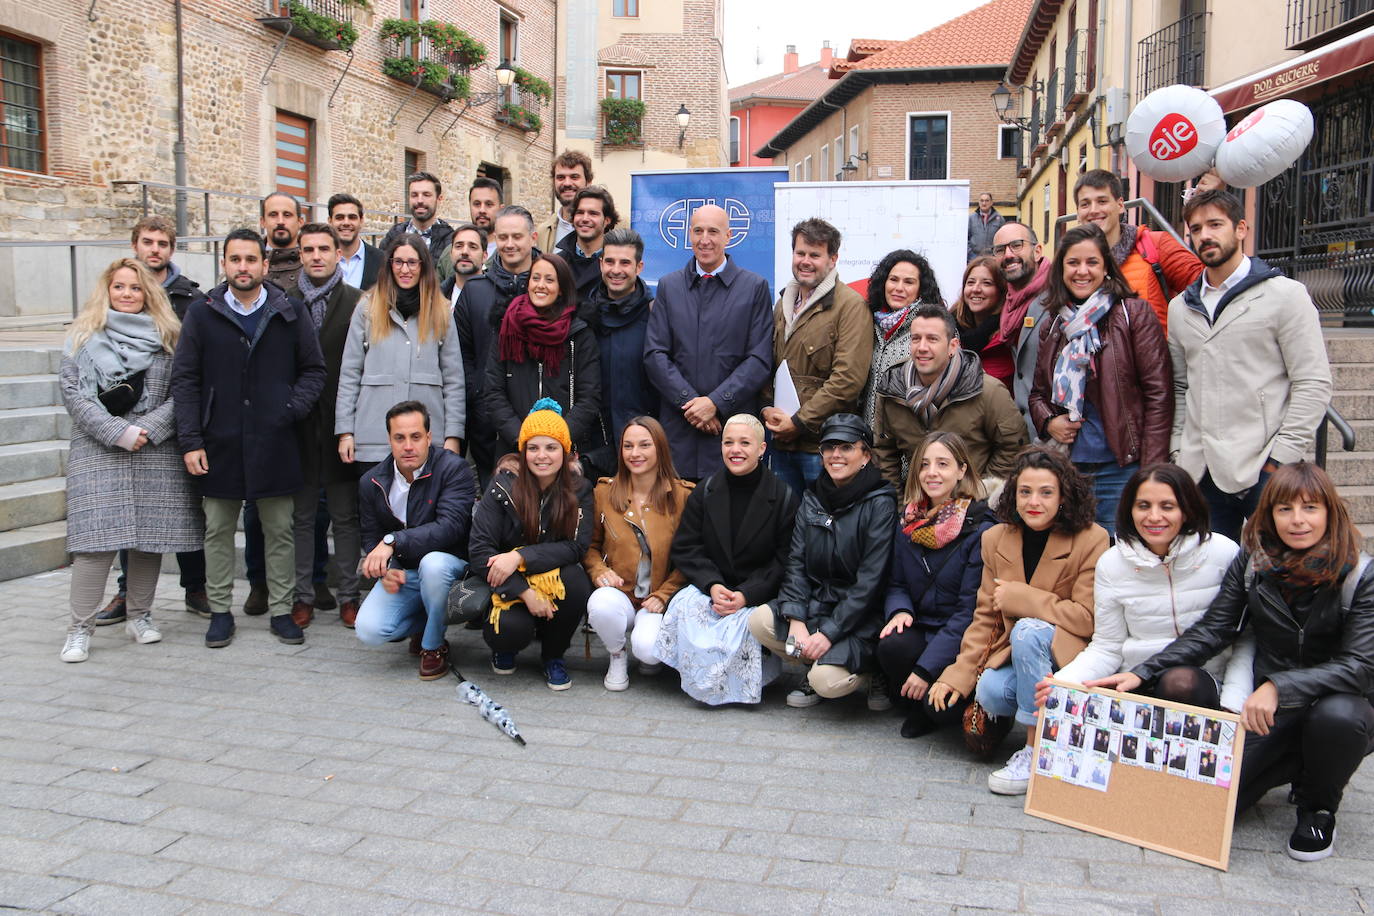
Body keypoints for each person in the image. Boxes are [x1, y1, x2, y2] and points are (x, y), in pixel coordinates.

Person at [1097, 463, 1374, 862]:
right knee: (1203, 813)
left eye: (1310, 508)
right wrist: (1143, 671)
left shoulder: (1360, 574)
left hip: (1338, 702)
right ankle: (1300, 763)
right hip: (1268, 711)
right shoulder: (1253, 562)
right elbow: (1215, 630)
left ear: (1330, 512)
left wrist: (1280, 687)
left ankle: (1317, 806)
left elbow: (1361, 666)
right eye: (1284, 509)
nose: (1297, 520)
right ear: (1268, 513)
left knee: (1337, 719)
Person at [171, 228, 326, 648]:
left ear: (264, 264)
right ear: (224, 264)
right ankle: (220, 612)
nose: (243, 267)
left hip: (275, 440)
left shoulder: (289, 311)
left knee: (280, 530)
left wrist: (290, 409)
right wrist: (191, 440)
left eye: (251, 260)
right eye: (235, 259)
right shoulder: (202, 314)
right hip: (217, 440)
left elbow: (314, 370)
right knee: (218, 530)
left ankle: (281, 610)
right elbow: (185, 380)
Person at [928, 447, 1108, 795]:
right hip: (1018, 654)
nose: (1033, 502)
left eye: (1045, 492)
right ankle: (1036, 726)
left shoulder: (1092, 538)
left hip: (1068, 655)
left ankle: (1035, 748)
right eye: (1024, 492)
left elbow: (1086, 619)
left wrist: (1023, 598)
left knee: (1027, 630)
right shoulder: (995, 538)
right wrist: (959, 672)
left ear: (1064, 496)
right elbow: (985, 616)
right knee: (991, 692)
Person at [57, 258, 202, 663]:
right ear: (107, 291)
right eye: (119, 287)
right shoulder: (82, 337)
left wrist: (149, 429)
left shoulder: (169, 337)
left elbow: (183, 392)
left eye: (135, 288)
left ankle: (140, 615)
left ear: (148, 293)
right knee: (93, 543)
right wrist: (116, 432)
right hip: (98, 449)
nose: (126, 294)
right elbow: (75, 396)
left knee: (148, 540)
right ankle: (79, 628)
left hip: (153, 450)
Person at [1170, 189, 1333, 541]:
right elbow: (1181, 385)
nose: (1205, 236)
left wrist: (1281, 459)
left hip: (1265, 466)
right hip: (1202, 470)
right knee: (1212, 582)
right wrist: (1178, 449)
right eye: (1196, 229)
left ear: (1241, 228)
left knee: (1278, 578)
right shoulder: (1180, 308)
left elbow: (1313, 382)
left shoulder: (1284, 295)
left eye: (1215, 224)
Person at [1048, 463, 1253, 713]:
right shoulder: (1112, 563)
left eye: (1167, 506)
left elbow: (1243, 638)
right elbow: (1107, 646)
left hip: (1202, 683)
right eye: (1143, 506)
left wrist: (1233, 704)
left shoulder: (1223, 552)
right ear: (1129, 510)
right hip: (1134, 680)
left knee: (1180, 682)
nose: (1154, 517)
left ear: (1187, 510)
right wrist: (1060, 685)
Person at [96, 217, 208, 628]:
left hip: (174, 425)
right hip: (125, 427)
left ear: (172, 249)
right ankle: (128, 593)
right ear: (135, 245)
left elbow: (194, 373)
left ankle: (196, 587)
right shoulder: (113, 296)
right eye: (148, 242)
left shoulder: (191, 299)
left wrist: (165, 424)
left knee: (185, 509)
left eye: (162, 243)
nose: (154, 249)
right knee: (132, 513)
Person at [1029, 223, 1171, 536]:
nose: (1082, 271)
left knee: (1116, 555)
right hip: (1066, 469)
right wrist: (1049, 422)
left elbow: (1159, 395)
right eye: (1073, 263)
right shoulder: (1053, 324)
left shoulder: (1133, 314)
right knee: (1070, 563)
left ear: (1106, 267)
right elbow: (1038, 395)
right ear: (1061, 269)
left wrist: (1153, 472)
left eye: (1092, 262)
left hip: (1120, 468)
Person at [749, 413, 897, 707]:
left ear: (865, 455)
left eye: (846, 447)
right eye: (829, 448)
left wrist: (829, 633)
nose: (835, 455)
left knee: (827, 683)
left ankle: (869, 673)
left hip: (861, 617)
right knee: (759, 621)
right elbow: (796, 563)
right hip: (818, 605)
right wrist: (796, 618)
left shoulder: (881, 503)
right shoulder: (813, 497)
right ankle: (812, 664)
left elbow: (870, 583)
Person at [656, 414, 799, 704]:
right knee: (686, 606)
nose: (736, 450)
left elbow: (785, 560)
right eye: (728, 442)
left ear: (762, 449)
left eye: (745, 443)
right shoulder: (705, 491)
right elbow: (686, 547)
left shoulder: (783, 497)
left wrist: (746, 594)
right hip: (714, 588)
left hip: (756, 593)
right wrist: (712, 585)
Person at [468, 400, 594, 690]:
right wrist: (524, 592)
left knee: (575, 580)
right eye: (533, 448)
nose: (542, 456)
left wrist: (520, 556)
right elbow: (479, 552)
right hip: (508, 583)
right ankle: (505, 648)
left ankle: (553, 656)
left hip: (549, 574)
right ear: (523, 451)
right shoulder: (502, 486)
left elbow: (576, 547)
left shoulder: (580, 490)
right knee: (509, 631)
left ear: (564, 451)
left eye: (551, 447)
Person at [643, 204, 773, 480]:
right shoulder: (670, 286)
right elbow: (655, 354)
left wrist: (716, 403)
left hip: (732, 433)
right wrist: (691, 404)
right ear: (689, 234)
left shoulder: (754, 287)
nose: (705, 239)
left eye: (713, 231)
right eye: (698, 230)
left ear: (729, 236)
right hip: (679, 431)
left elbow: (759, 359)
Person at [877, 432, 994, 737]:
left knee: (942, 711)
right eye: (925, 464)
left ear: (961, 470)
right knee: (892, 643)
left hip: (960, 638)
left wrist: (924, 669)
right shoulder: (908, 521)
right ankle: (915, 699)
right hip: (922, 626)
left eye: (943, 464)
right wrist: (899, 610)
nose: (932, 472)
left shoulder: (979, 528)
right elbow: (896, 582)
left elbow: (968, 613)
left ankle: (928, 698)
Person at [355, 401, 476, 680]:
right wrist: (387, 569)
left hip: (451, 567)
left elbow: (451, 527)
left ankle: (433, 646)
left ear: (429, 438)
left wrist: (393, 541)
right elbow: (371, 537)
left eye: (415, 437)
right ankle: (427, 620)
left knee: (433, 565)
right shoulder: (371, 482)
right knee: (369, 631)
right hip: (407, 573)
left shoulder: (453, 469)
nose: (408, 446)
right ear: (389, 440)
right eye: (400, 438)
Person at [282, 222, 365, 628]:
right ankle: (304, 596)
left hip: (341, 425)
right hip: (297, 427)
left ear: (338, 254)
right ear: (300, 255)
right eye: (309, 249)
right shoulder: (282, 301)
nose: (316, 256)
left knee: (345, 517)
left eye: (324, 249)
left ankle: (349, 595)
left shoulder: (357, 302)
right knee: (301, 517)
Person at [336, 234, 465, 472]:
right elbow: (350, 374)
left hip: (428, 438)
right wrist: (345, 432)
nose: (405, 269)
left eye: (412, 263)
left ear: (423, 266)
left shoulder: (441, 311)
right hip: (374, 435)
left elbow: (454, 379)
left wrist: (453, 435)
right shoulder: (367, 308)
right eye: (398, 262)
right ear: (389, 265)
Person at [762, 218, 872, 496]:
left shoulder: (851, 307)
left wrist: (798, 422)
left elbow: (847, 381)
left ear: (832, 259)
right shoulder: (783, 303)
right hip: (781, 443)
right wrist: (765, 409)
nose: (806, 261)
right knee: (787, 529)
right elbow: (769, 366)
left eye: (815, 255)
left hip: (822, 447)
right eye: (800, 253)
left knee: (822, 530)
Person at [584, 416, 694, 690]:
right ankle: (617, 654)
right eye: (628, 446)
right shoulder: (603, 492)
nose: (635, 453)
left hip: (657, 598)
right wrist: (599, 571)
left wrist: (665, 594)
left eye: (644, 445)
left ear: (660, 448)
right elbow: (589, 546)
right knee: (600, 604)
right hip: (620, 592)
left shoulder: (682, 496)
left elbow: (692, 555)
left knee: (648, 650)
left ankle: (646, 650)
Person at [872, 303, 1025, 491]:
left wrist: (981, 492)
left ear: (952, 346)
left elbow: (1014, 447)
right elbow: (884, 454)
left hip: (972, 510)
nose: (922, 347)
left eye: (932, 339)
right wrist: (899, 505)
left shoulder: (988, 391)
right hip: (917, 508)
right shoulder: (892, 389)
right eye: (916, 339)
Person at [482, 252, 601, 462]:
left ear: (562, 287)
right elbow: (494, 392)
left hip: (564, 451)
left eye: (549, 279)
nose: (541, 285)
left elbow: (589, 397)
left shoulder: (580, 333)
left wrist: (557, 440)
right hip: (514, 449)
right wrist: (522, 438)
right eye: (535, 278)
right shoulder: (507, 328)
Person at [455, 205, 539, 476]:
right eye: (503, 237)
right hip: (487, 421)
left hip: (540, 417)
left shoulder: (549, 286)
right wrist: (478, 393)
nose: (510, 244)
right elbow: (461, 355)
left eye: (517, 236)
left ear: (533, 238)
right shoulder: (475, 291)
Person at [1074, 169, 1202, 330]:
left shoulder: (1156, 245)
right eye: (1085, 204)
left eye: (1102, 201)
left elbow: (1207, 291)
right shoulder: (1070, 266)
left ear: (1120, 205)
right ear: (1078, 213)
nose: (1093, 210)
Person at [581, 227, 657, 478]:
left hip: (643, 447)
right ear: (600, 263)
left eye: (625, 262)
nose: (616, 270)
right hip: (592, 447)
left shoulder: (656, 315)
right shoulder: (584, 316)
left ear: (639, 267)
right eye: (610, 261)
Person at [859, 250, 943, 431]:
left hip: (908, 442)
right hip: (868, 442)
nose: (899, 288)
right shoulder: (869, 325)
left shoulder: (934, 328)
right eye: (893, 279)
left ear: (921, 288)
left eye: (909, 282)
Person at [989, 222, 1051, 440]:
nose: (1008, 255)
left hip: (1057, 435)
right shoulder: (1006, 304)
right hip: (1025, 434)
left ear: (1037, 250)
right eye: (1000, 250)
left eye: (1016, 245)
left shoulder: (1058, 296)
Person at [951, 255, 1013, 391]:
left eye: (987, 283)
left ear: (1001, 290)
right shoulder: (948, 328)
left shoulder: (1009, 335)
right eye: (971, 282)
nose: (976, 289)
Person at [383, 172, 455, 281]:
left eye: (426, 195)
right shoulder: (394, 236)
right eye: (414, 195)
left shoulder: (451, 240)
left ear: (439, 199)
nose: (420, 201)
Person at [555, 185, 616, 302]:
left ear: (607, 221)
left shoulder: (617, 266)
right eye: (580, 212)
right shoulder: (557, 264)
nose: (585, 218)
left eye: (593, 213)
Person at [536, 150, 592, 252]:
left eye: (574, 177)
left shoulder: (611, 229)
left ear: (588, 182)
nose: (567, 183)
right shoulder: (542, 232)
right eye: (561, 177)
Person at [328, 193, 384, 291]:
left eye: (352, 217)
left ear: (361, 221)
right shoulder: (321, 259)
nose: (346, 223)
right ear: (330, 221)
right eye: (339, 217)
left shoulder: (382, 260)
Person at [261, 191, 304, 290]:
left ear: (300, 222)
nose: (280, 221)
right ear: (263, 222)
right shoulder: (248, 262)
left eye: (287, 215)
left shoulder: (313, 262)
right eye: (273, 215)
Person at [441, 223, 487, 308]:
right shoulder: (437, 297)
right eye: (459, 246)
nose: (465, 252)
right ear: (451, 254)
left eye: (473, 247)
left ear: (484, 256)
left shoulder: (497, 297)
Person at [968, 192, 1006, 260]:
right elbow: (965, 239)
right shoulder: (971, 218)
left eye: (987, 200)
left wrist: (997, 255)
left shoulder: (999, 219)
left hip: (992, 258)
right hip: (974, 258)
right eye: (981, 200)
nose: (984, 203)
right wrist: (970, 254)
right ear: (979, 202)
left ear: (991, 202)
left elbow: (1003, 240)